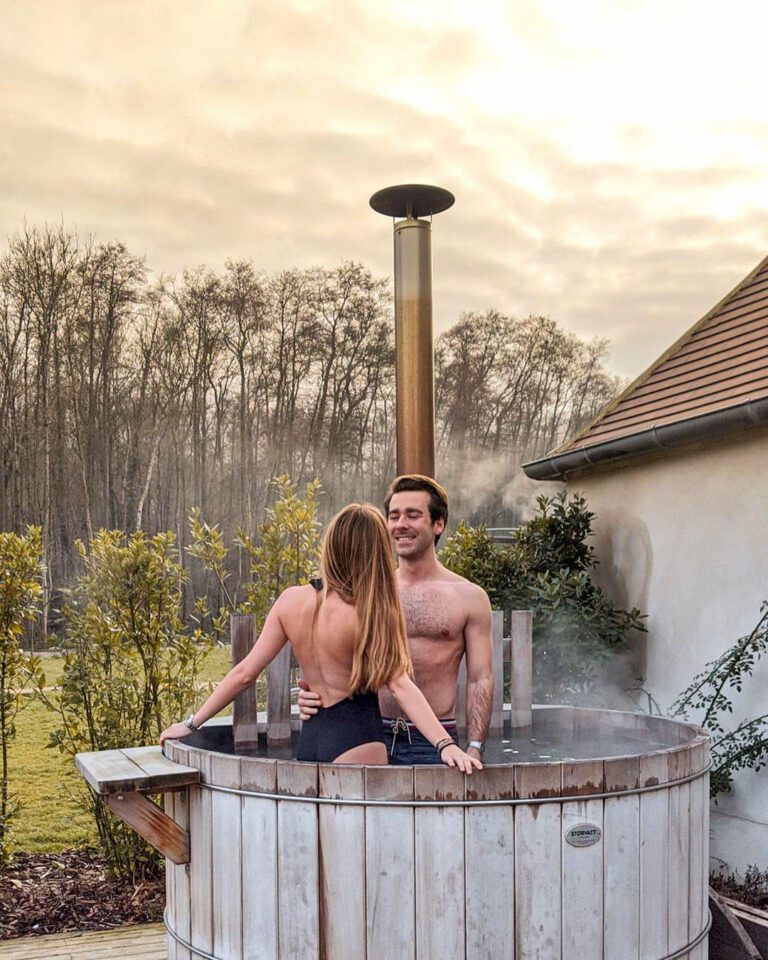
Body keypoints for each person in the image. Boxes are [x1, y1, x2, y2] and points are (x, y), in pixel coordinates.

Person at [160, 503, 481, 774]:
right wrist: (445, 744)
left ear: (333, 545)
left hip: (311, 739)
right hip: (358, 740)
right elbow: (399, 683)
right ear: (377, 553)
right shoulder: (370, 610)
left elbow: (244, 673)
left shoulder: (291, 600)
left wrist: (191, 723)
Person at [299, 475, 493, 765]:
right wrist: (315, 699)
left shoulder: (469, 597)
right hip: (365, 734)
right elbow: (329, 656)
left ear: (438, 524)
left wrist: (475, 745)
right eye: (393, 516)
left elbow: (480, 679)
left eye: (413, 515)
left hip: (434, 740)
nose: (401, 524)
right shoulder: (362, 594)